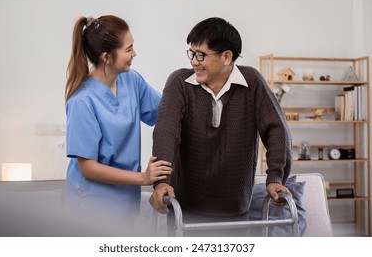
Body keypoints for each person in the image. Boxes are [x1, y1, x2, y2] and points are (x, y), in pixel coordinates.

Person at [149, 17, 292, 236]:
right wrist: (161, 182)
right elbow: (166, 132)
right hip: (185, 209)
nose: (194, 62)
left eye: (201, 55)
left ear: (226, 57)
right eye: (191, 53)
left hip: (235, 210)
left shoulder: (251, 82)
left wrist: (275, 177)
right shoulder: (180, 82)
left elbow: (277, 128)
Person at [64, 15, 172, 234]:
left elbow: (166, 115)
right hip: (90, 211)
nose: (134, 54)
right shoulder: (82, 102)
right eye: (128, 49)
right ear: (107, 57)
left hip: (125, 207)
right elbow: (88, 167)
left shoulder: (132, 81)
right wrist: (143, 178)